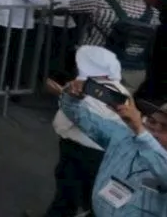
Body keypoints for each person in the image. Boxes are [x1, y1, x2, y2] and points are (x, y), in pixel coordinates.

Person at [48, 78, 167, 216]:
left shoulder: (147, 143)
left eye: (166, 127)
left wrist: (139, 130)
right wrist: (72, 98)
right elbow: (80, 117)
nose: (154, 129)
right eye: (152, 121)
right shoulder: (124, 136)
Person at [42, 46, 130, 217]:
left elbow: (82, 117)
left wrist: (64, 95)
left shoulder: (101, 90)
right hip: (88, 151)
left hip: (84, 151)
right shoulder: (108, 87)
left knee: (68, 194)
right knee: (74, 192)